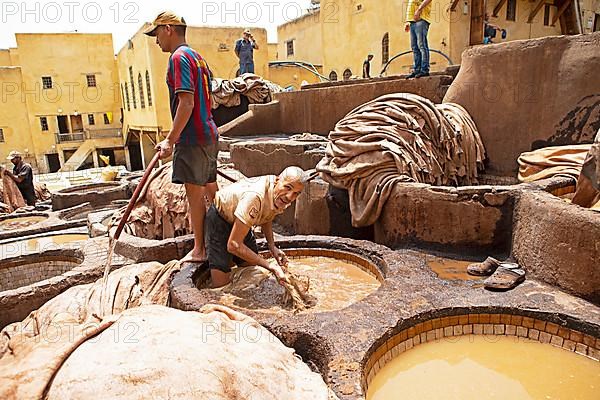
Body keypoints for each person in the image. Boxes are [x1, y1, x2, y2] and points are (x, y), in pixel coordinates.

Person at [145, 11, 219, 263]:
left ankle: (200, 249)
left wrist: (170, 140)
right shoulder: (198, 57)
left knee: (194, 194)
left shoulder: (178, 58)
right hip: (209, 133)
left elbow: (186, 103)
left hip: (193, 137)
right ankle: (228, 235)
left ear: (168, 29)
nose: (156, 41)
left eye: (156, 34)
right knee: (212, 190)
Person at [205, 166, 306, 288]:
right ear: (277, 180)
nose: (290, 197)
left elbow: (267, 214)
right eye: (288, 187)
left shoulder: (277, 193)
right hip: (220, 218)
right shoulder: (255, 196)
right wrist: (270, 266)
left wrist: (272, 246)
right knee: (220, 286)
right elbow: (233, 245)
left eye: (296, 193)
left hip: (243, 221)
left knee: (251, 270)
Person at [404, 0, 433, 78]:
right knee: (415, 47)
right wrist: (408, 21)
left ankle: (424, 70)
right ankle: (417, 70)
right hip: (413, 21)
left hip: (421, 19)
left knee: (422, 45)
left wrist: (419, 10)